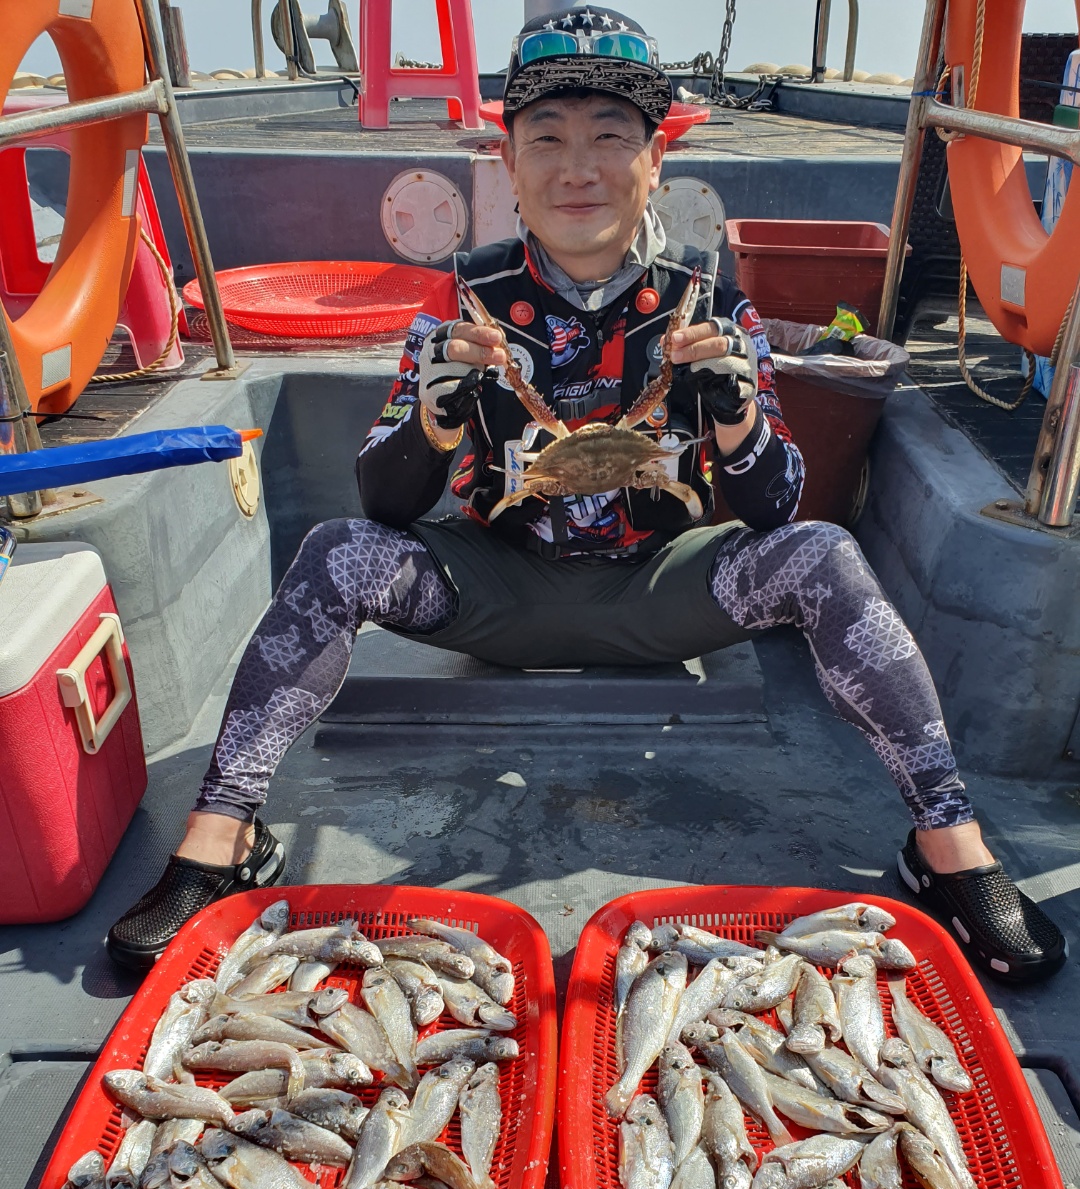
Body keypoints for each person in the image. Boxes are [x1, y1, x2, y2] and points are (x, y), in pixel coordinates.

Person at [108, 6, 1066, 985]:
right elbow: (385, 504)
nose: (579, 168)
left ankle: (949, 846)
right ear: (509, 162)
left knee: (824, 554)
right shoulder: (459, 307)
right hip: (500, 591)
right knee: (337, 552)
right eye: (547, 139)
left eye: (611, 137)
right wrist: (435, 416)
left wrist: (737, 413)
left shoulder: (713, 309)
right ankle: (221, 840)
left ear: (654, 160)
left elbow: (777, 508)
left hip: (661, 591)